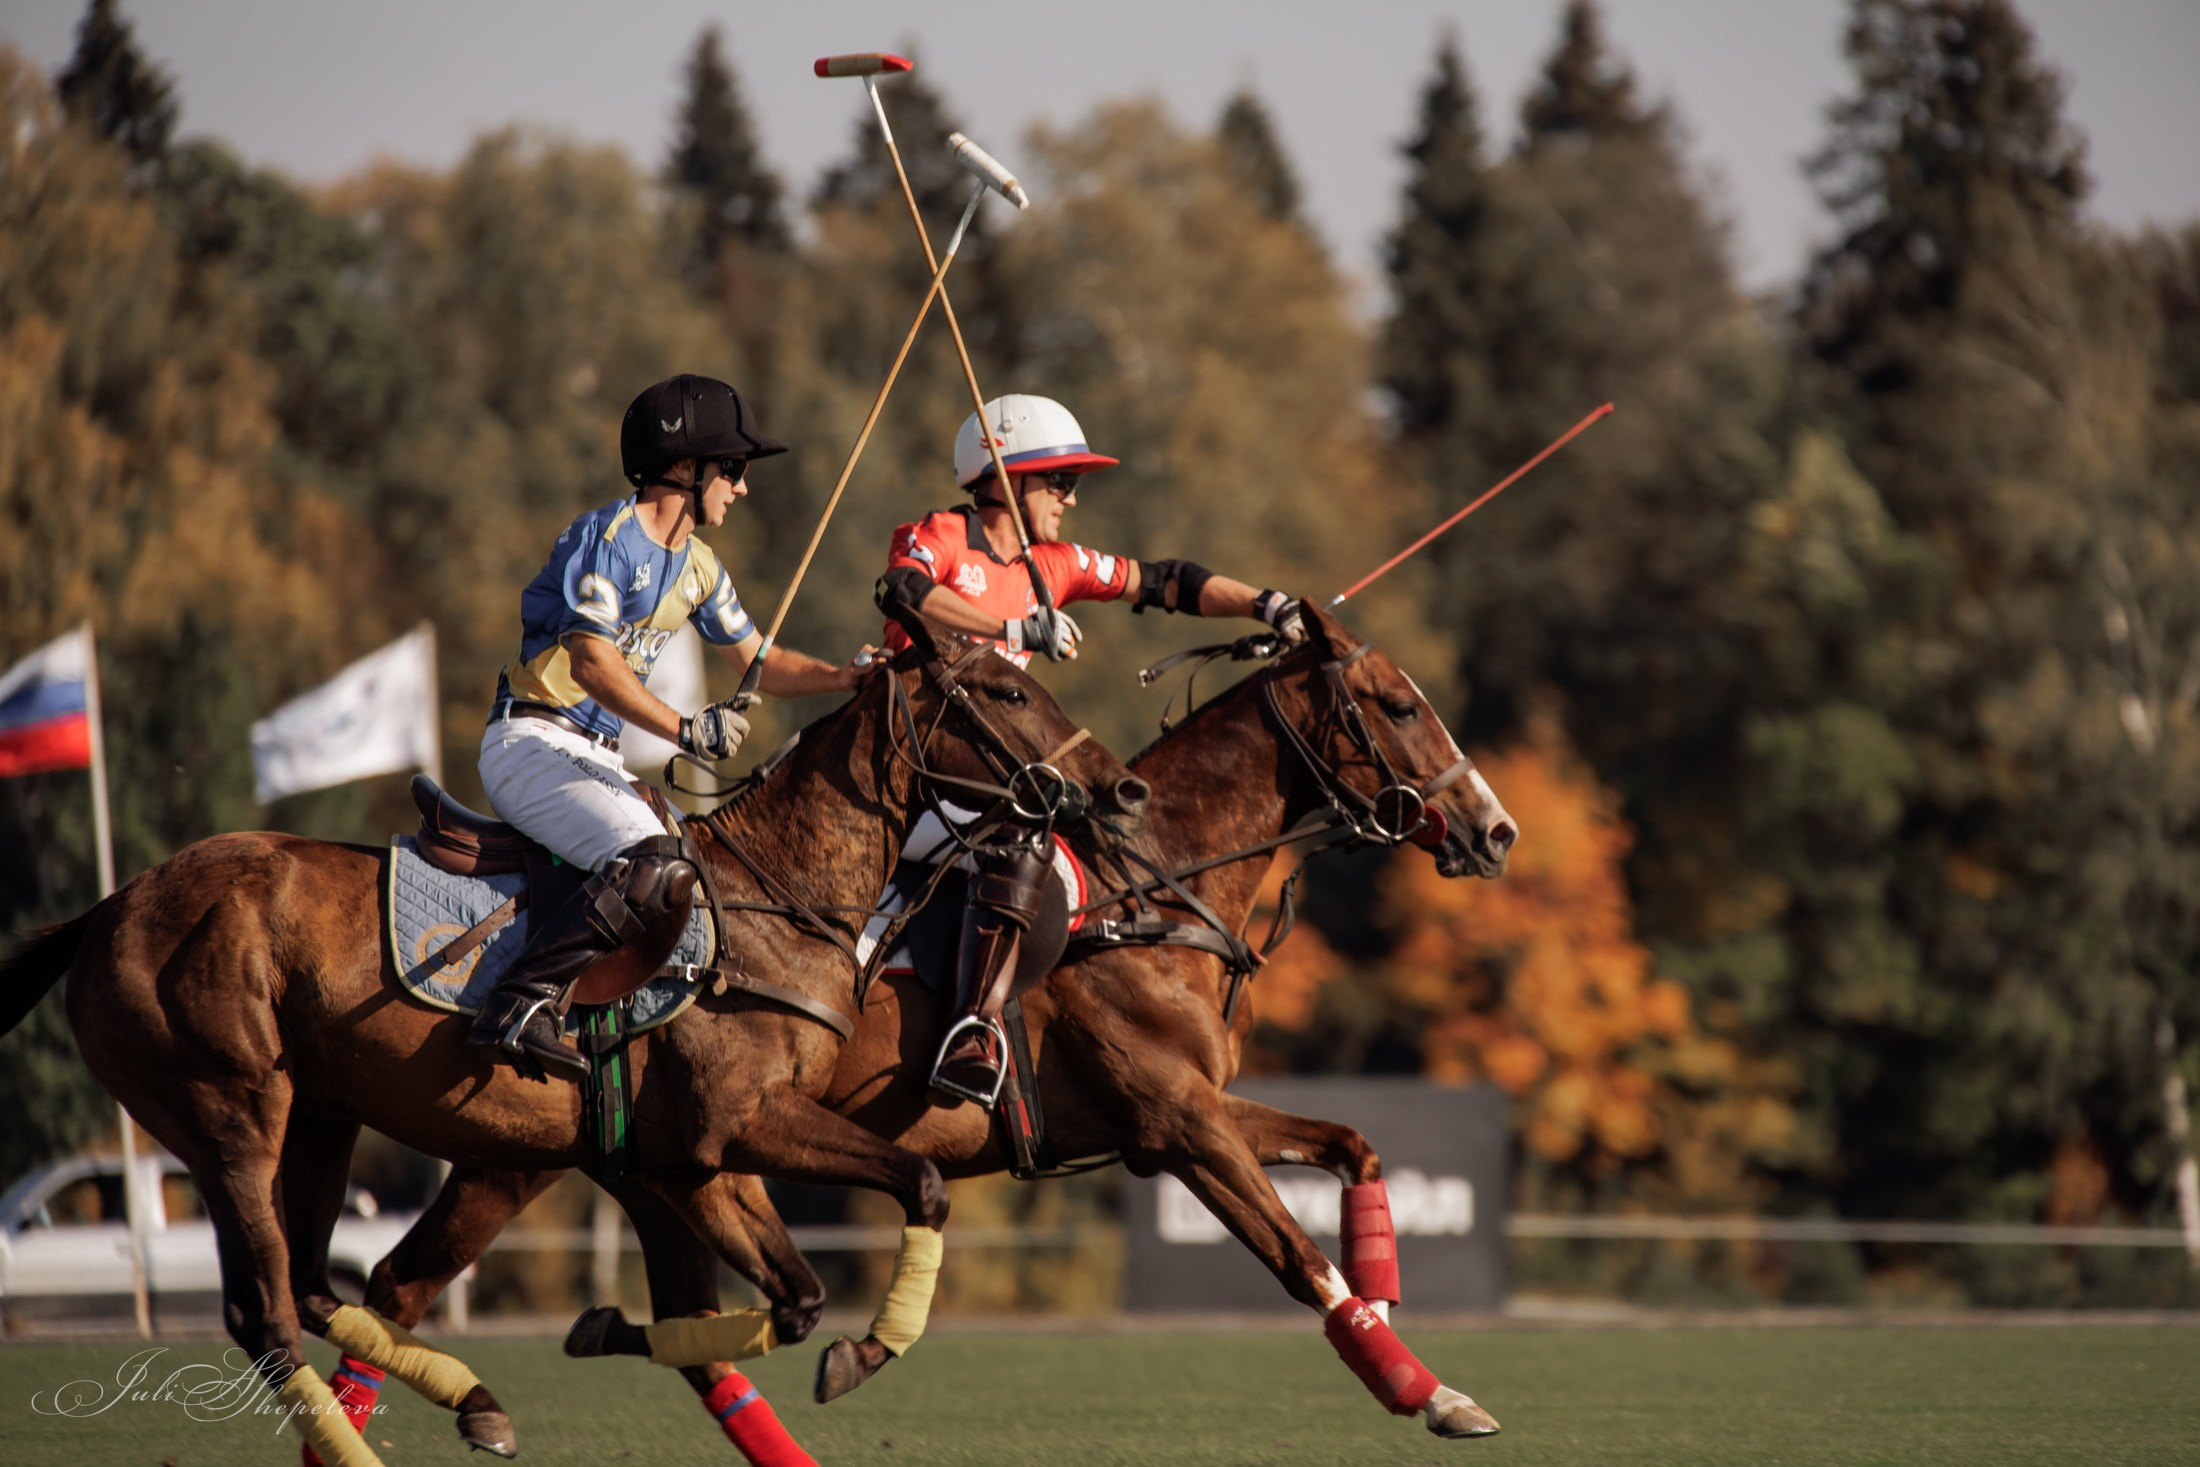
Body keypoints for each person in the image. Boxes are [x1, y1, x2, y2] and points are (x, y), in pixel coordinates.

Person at [872, 393, 1306, 1103]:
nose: (1070, 499)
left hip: (987, 770)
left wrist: (1266, 603)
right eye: (1059, 481)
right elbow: (903, 591)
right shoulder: (943, 533)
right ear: (1008, 478)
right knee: (1026, 828)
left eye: (1073, 485)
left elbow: (1166, 581)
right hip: (909, 760)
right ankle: (972, 1028)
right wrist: (1011, 631)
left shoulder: (1055, 566)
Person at [471, 374, 874, 1081]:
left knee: (699, 875)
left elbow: (761, 662)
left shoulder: (701, 568)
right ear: (686, 468)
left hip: (592, 757)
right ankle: (519, 1002)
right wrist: (687, 730)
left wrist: (848, 677)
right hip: (531, 741)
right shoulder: (610, 538)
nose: (742, 488)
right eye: (735, 469)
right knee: (653, 858)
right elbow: (592, 661)